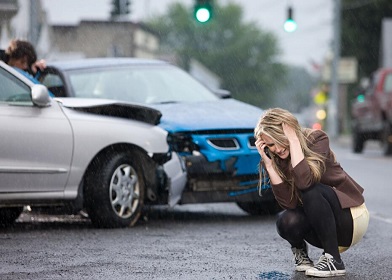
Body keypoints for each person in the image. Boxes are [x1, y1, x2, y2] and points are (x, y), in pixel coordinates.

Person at [254, 108, 369, 278]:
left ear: (290, 132)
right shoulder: (276, 159)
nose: (276, 149)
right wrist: (270, 166)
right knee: (286, 220)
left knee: (311, 191)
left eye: (279, 140)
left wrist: (293, 141)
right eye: (270, 145)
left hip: (350, 219)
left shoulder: (317, 139)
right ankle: (302, 254)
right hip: (322, 229)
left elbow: (305, 182)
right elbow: (289, 204)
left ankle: (334, 261)